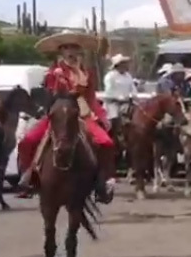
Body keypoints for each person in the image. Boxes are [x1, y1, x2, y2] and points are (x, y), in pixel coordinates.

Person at [15, 31, 117, 204]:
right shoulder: (54, 73)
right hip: (60, 114)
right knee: (28, 141)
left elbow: (91, 98)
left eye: (74, 48)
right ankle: (28, 176)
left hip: (84, 115)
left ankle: (103, 181)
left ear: (79, 51)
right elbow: (52, 96)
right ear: (60, 52)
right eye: (66, 48)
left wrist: (102, 115)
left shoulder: (87, 72)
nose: (71, 51)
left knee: (107, 143)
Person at [103, 54, 136, 165]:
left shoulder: (128, 76)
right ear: (117, 65)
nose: (126, 66)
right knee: (114, 118)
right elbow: (108, 92)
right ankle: (112, 140)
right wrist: (119, 97)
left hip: (127, 102)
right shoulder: (110, 76)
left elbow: (133, 89)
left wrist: (132, 96)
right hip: (113, 103)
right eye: (123, 63)